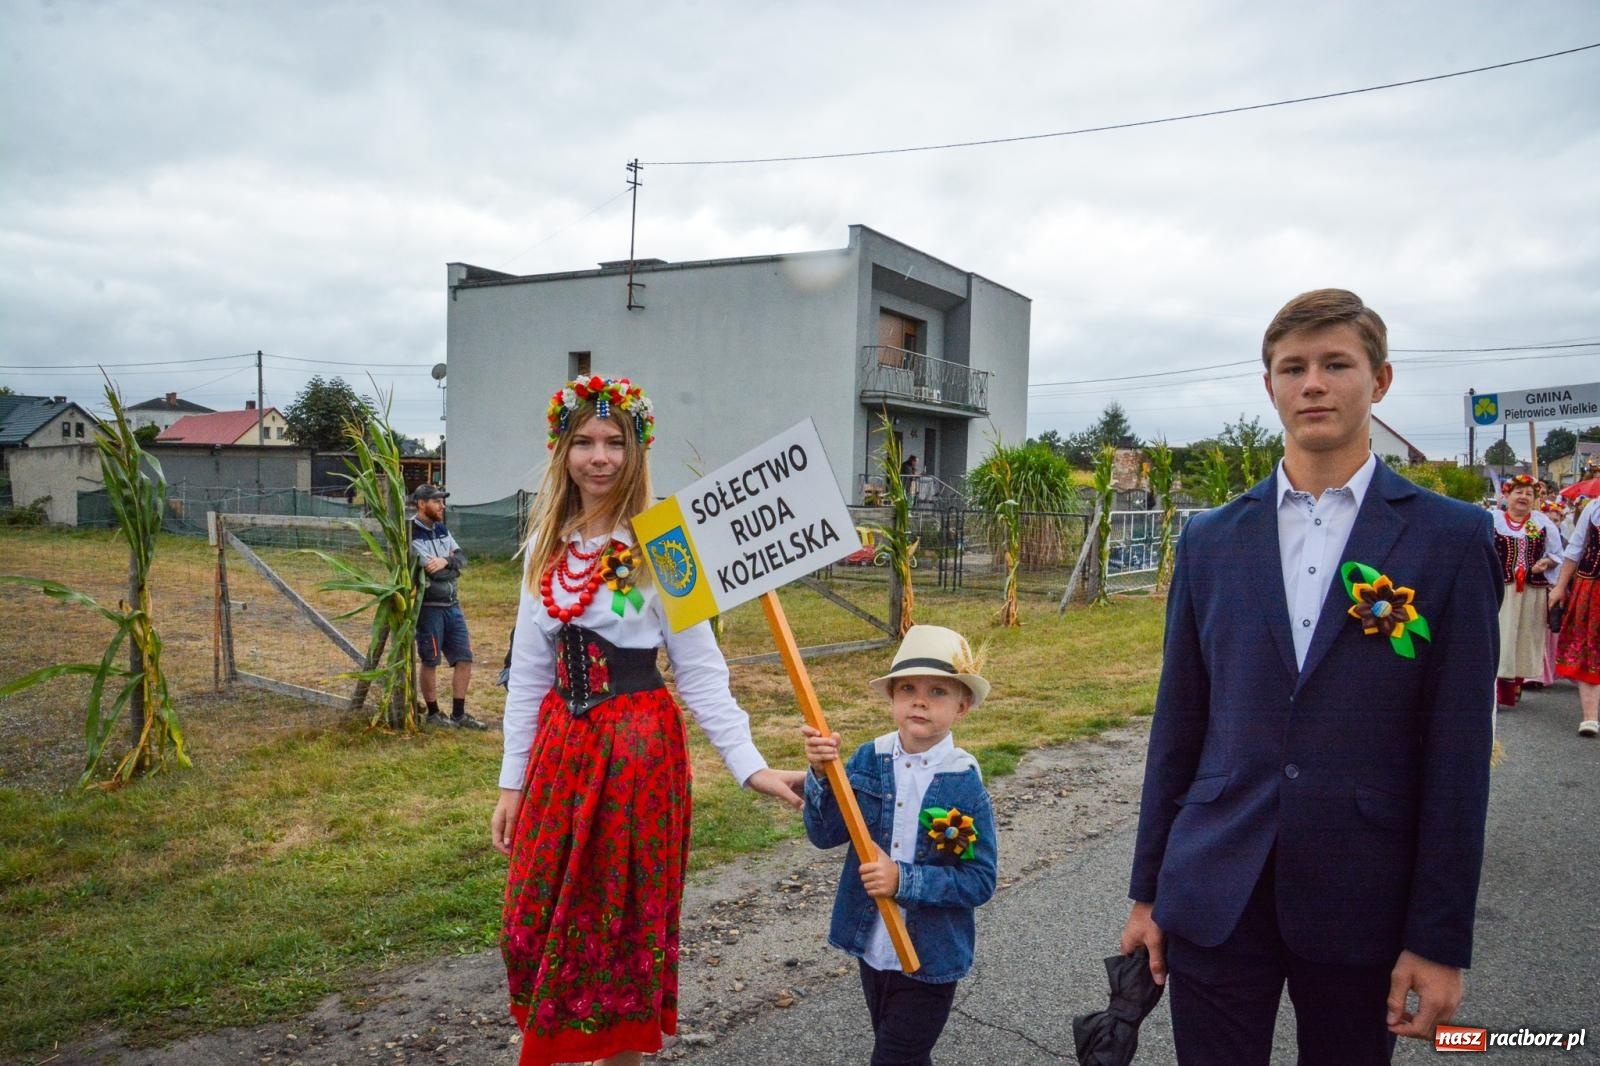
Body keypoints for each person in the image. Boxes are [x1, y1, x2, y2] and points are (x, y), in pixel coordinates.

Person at [1121, 289, 1502, 1065]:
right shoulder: (1210, 539)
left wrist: (1438, 940)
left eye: (1337, 364)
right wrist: (1148, 891)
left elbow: (1459, 757)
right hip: (1216, 888)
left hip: (1363, 899)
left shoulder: (1452, 541)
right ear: (1270, 387)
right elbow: (1179, 726)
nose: (1313, 384)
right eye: (1292, 368)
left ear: (1381, 380)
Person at [489, 374, 805, 1066]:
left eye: (615, 442)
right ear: (561, 451)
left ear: (637, 451)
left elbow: (700, 670)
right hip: (561, 754)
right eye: (585, 442)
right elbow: (530, 677)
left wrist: (749, 764)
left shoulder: (662, 544)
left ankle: (621, 1058)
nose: (600, 457)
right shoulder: (547, 542)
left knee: (618, 922)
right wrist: (512, 783)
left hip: (636, 759)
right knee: (528, 924)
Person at [801, 624, 997, 1066]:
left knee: (894, 1057)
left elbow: (979, 880)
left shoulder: (963, 782)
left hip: (931, 956)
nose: (920, 700)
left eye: (938, 691)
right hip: (873, 946)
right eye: (907, 688)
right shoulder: (869, 759)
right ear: (891, 698)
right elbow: (824, 833)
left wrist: (902, 879)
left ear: (963, 706)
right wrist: (820, 774)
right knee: (905, 1054)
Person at [410, 483, 484, 729]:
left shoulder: (441, 529)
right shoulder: (410, 532)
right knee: (430, 660)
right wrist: (449, 567)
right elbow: (431, 572)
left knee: (464, 658)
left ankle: (458, 714)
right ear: (422, 504)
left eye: (442, 501)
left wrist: (445, 561)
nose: (442, 506)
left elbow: (462, 559)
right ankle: (433, 714)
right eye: (436, 501)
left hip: (453, 605)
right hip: (429, 608)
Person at [1491, 474, 1561, 706]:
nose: (1523, 497)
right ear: (1507, 495)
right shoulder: (1494, 520)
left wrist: (1546, 563)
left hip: (1532, 590)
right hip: (1502, 587)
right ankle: (1499, 691)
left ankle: (1516, 685)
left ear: (1535, 499)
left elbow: (1556, 554)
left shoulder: (1541, 523)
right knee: (1503, 634)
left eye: (1528, 494)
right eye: (1518, 492)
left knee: (1526, 636)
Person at [1551, 496, 1600, 737]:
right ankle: (1590, 717)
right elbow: (1575, 549)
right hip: (1591, 587)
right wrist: (1560, 586)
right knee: (1587, 648)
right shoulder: (1594, 507)